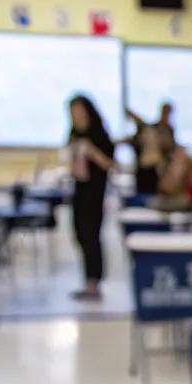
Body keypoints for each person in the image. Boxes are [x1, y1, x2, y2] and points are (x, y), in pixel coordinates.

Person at [67, 94, 115, 300]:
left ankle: (94, 283)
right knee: (80, 234)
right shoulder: (74, 133)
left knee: (91, 236)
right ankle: (88, 281)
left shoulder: (99, 134)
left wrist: (91, 151)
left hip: (95, 193)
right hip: (79, 190)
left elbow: (109, 163)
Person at [124, 100, 175, 195]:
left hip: (159, 167)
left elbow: (171, 148)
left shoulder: (169, 130)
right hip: (145, 165)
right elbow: (139, 137)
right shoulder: (151, 128)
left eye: (167, 113)